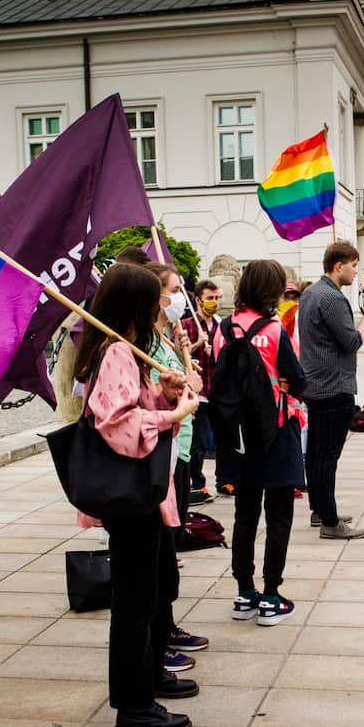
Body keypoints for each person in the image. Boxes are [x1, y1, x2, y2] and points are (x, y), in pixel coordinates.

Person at [73, 262, 199, 727]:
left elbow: (134, 409)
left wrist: (162, 397)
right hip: (131, 496)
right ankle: (134, 706)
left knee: (148, 593)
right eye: (154, 301)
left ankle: (149, 676)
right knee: (133, 601)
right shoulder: (116, 353)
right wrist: (173, 415)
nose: (161, 309)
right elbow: (119, 427)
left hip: (145, 492)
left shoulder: (124, 351)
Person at [215, 260, 306, 627]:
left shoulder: (224, 328)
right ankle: (271, 596)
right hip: (276, 429)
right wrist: (286, 384)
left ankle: (244, 592)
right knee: (279, 514)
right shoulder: (273, 329)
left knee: (245, 514)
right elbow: (297, 379)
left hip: (239, 434)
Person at [298, 241, 364, 539]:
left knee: (316, 452)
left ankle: (320, 510)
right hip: (333, 385)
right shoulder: (332, 298)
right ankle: (331, 522)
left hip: (315, 384)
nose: (355, 271)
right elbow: (351, 342)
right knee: (327, 456)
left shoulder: (310, 293)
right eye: (353, 265)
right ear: (339, 266)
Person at [147, 263, 208, 671]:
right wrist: (187, 386)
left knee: (170, 548)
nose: (178, 298)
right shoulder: (143, 344)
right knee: (161, 550)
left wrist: (189, 356)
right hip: (165, 453)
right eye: (173, 290)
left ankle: (166, 626)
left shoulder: (164, 336)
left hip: (180, 448)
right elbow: (158, 394)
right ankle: (159, 636)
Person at [185, 278, 221, 506]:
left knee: (222, 440)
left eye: (217, 298)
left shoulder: (220, 325)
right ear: (198, 300)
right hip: (198, 392)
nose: (214, 302)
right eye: (210, 298)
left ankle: (224, 480)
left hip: (217, 390)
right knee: (197, 442)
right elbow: (180, 354)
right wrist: (198, 343)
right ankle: (197, 483)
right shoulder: (187, 324)